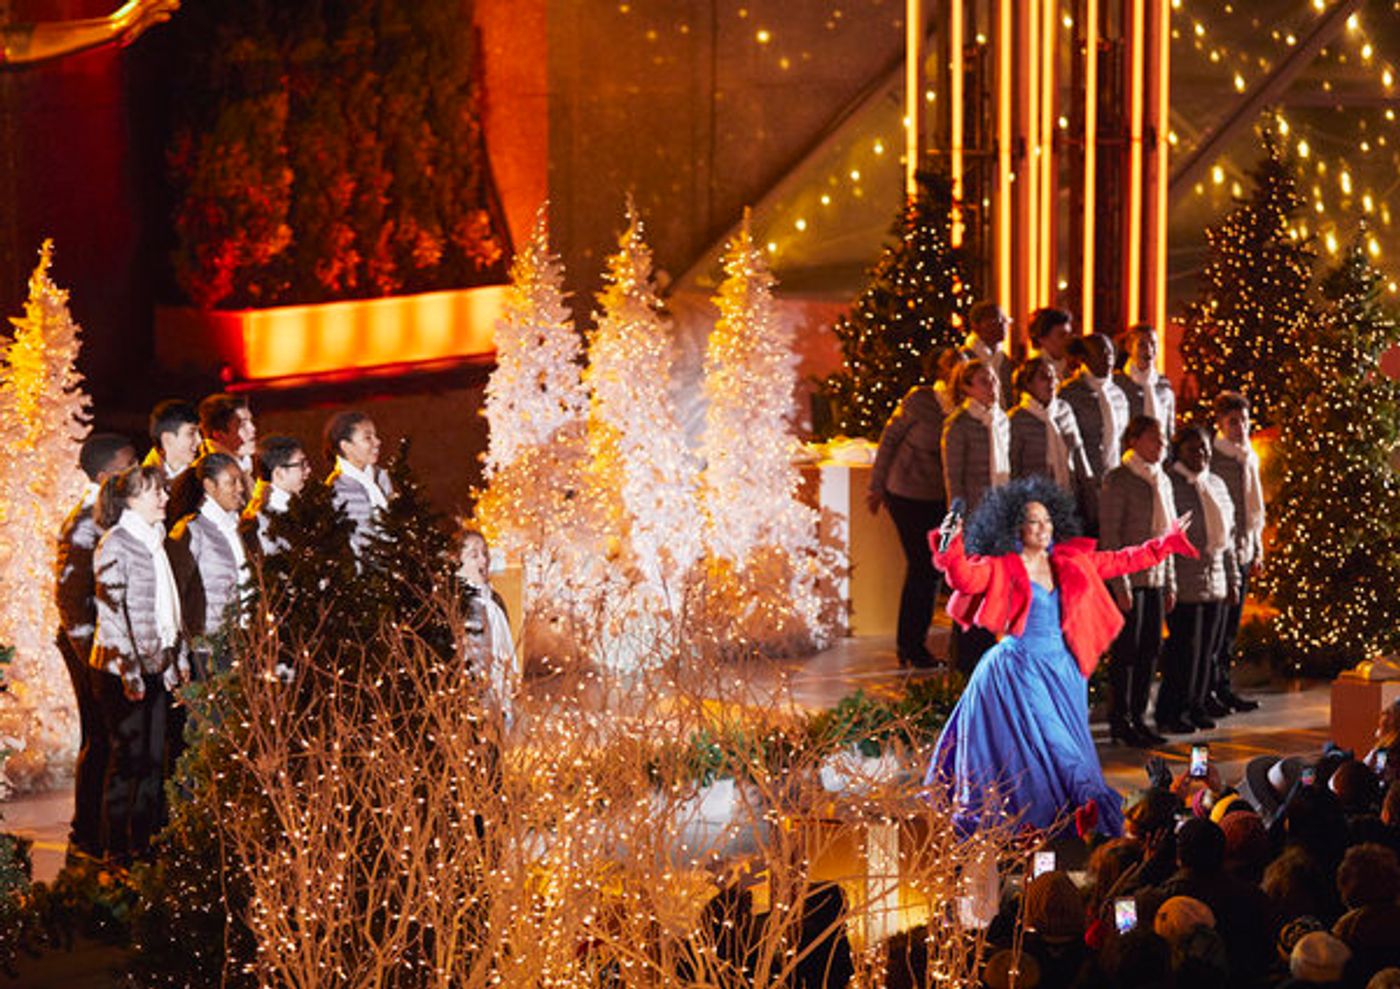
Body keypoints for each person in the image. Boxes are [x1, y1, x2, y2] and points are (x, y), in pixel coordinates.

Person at [923, 476, 1196, 836]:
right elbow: (964, 578)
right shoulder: (1004, 566)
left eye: (1047, 520)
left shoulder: (1070, 562)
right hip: (1019, 670)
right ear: (1017, 528)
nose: (1043, 527)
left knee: (1060, 748)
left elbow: (1119, 561)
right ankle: (1075, 812)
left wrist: (1163, 545)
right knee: (1057, 748)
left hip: (1064, 672)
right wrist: (952, 546)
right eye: (1034, 521)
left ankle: (1069, 816)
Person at [90, 464, 188, 861]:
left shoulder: (154, 540)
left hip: (153, 665)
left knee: (152, 759)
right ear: (130, 499)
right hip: (120, 671)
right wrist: (131, 672)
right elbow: (112, 614)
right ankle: (115, 849)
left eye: (163, 490)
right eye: (153, 492)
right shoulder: (116, 543)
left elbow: (169, 611)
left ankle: (143, 842)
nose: (164, 497)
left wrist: (172, 661)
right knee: (127, 760)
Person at [54, 433, 136, 858]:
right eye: (128, 466)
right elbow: (70, 597)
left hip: (107, 646)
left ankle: (105, 832)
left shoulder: (113, 514)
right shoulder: (86, 520)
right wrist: (91, 656)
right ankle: (86, 834)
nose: (137, 472)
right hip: (88, 647)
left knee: (113, 739)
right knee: (101, 738)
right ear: (106, 476)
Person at [867, 346, 958, 668]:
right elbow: (889, 440)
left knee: (939, 567)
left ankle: (918, 645)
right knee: (924, 565)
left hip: (941, 498)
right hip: (905, 493)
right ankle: (911, 645)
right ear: (942, 372)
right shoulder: (921, 400)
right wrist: (876, 487)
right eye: (952, 365)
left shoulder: (967, 407)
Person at [1099, 415, 1177, 748]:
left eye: (1162, 440)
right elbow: (1111, 535)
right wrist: (1121, 586)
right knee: (1126, 652)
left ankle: (1139, 716)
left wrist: (1170, 581)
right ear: (1134, 441)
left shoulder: (1163, 480)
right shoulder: (1120, 479)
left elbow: (1169, 534)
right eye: (1153, 439)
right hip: (1129, 578)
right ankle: (1120, 720)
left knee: (1149, 650)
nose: (1161, 446)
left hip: (1156, 576)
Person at [1157, 427, 1240, 735]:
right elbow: (1166, 537)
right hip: (1187, 580)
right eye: (1193, 450)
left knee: (1208, 649)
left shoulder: (1215, 483)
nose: (1201, 455)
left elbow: (1228, 537)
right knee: (1183, 652)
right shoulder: (1172, 485)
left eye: (1204, 449)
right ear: (1179, 452)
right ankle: (1171, 710)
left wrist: (1232, 578)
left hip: (1216, 579)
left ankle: (1195, 705)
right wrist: (1170, 584)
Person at [941, 359, 1011, 673]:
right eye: (984, 381)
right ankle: (964, 667)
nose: (992, 387)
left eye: (993, 380)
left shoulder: (1000, 420)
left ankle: (984, 662)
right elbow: (954, 479)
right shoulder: (960, 423)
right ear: (966, 387)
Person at [167, 452, 250, 675]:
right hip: (206, 649)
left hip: (242, 643)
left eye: (240, 480)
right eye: (231, 482)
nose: (240, 488)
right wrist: (181, 651)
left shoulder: (237, 527)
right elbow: (176, 592)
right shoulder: (191, 530)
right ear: (210, 486)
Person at [1209, 391, 1263, 713]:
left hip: (1244, 550)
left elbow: (1254, 511)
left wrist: (1256, 549)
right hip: (1223, 555)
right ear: (1220, 423)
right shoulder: (1216, 458)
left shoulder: (1249, 455)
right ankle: (1210, 689)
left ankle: (1224, 686)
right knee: (1218, 626)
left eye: (1243, 420)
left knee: (1231, 627)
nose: (1239, 427)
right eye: (1232, 421)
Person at [1058, 333, 1129, 534]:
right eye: (1100, 352)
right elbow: (1069, 443)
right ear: (1084, 358)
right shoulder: (1070, 393)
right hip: (1084, 483)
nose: (1107, 357)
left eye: (1110, 352)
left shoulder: (1119, 394)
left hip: (1114, 480)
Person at [456, 527, 517, 724]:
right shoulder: (458, 603)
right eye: (474, 555)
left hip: (500, 701)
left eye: (485, 553)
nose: (483, 560)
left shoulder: (493, 600)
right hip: (473, 705)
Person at [1008, 355, 1092, 493]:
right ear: (1028, 384)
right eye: (1044, 378)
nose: (1052, 382)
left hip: (1068, 495)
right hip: (1035, 499)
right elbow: (1013, 468)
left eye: (1053, 377)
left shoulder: (1064, 410)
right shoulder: (1017, 419)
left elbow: (1078, 454)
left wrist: (1089, 491)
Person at [324, 410, 393, 556]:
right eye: (368, 438)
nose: (377, 442)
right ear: (346, 446)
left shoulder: (381, 476)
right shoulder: (337, 488)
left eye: (375, 436)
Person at [241, 435, 312, 557]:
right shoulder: (262, 519)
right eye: (301, 464)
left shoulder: (300, 505)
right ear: (279, 473)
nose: (308, 470)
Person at [1115, 326, 1176, 441]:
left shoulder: (1163, 386)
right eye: (1142, 345)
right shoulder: (1117, 384)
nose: (1149, 350)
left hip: (1158, 455)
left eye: (1153, 344)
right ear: (1129, 347)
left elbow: (1169, 431)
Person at [961, 301, 1013, 408]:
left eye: (1005, 320)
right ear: (976, 326)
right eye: (996, 320)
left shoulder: (1004, 359)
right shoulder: (965, 358)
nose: (1002, 325)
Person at [197, 392, 257, 476]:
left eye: (251, 421)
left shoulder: (248, 466)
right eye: (242, 425)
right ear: (218, 434)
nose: (253, 429)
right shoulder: (203, 474)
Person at [142, 399, 201, 481]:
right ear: (168, 439)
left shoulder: (202, 475)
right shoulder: (144, 483)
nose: (199, 440)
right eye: (191, 434)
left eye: (199, 432)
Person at [1028, 308, 1074, 382]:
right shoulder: (1034, 371)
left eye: (1069, 335)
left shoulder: (1071, 364)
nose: (1068, 340)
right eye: (1061, 335)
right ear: (1042, 338)